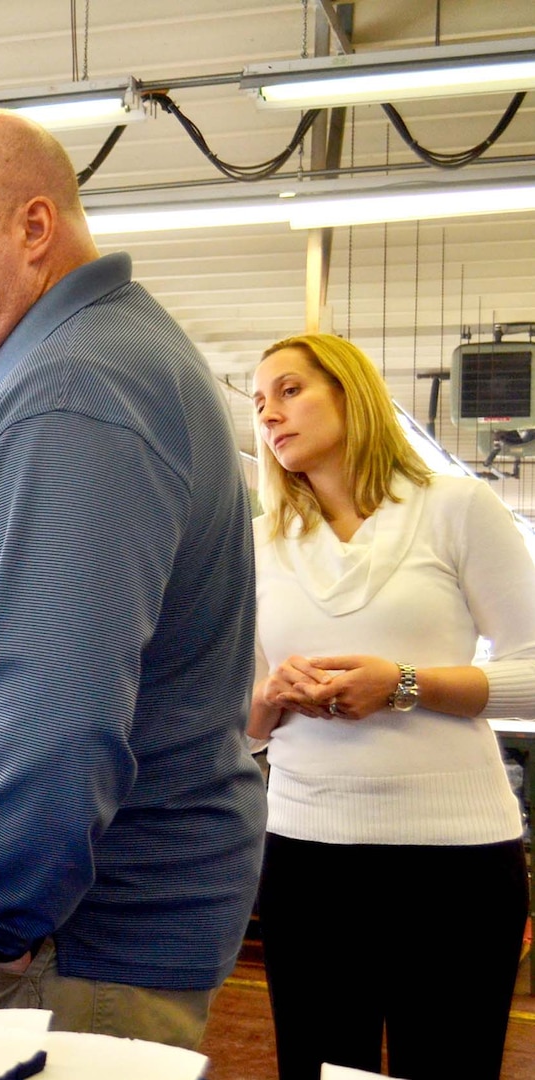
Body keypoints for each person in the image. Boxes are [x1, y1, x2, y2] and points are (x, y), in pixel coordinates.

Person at [0, 109, 265, 1048]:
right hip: (59, 926)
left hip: (59, 940)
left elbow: (58, 711)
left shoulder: (76, 391)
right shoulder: (86, 364)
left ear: (33, 229)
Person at [250, 334, 531, 1080]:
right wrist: (270, 696)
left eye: (288, 390)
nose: (270, 415)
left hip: (454, 864)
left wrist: (403, 685)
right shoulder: (261, 544)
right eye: (257, 404)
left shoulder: (454, 508)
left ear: (350, 393)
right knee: (313, 1068)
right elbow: (233, 725)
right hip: (305, 856)